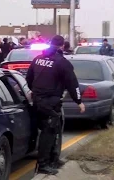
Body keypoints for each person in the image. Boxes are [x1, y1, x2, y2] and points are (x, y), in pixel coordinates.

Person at [26, 35, 85, 175]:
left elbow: (29, 78)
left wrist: (35, 92)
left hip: (38, 100)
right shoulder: (62, 62)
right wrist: (79, 101)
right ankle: (43, 164)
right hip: (50, 102)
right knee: (49, 131)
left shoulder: (37, 59)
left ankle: (53, 160)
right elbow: (73, 84)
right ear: (62, 46)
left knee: (54, 129)